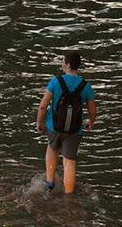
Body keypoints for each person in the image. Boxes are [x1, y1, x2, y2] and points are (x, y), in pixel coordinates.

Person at [36, 52, 96, 193]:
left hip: (54, 127)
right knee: (69, 162)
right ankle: (69, 196)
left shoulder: (55, 82)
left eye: (63, 61)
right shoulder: (86, 86)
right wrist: (90, 121)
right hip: (74, 130)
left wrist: (39, 123)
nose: (62, 63)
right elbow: (92, 110)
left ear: (68, 64)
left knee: (52, 150)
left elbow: (43, 106)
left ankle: (50, 184)